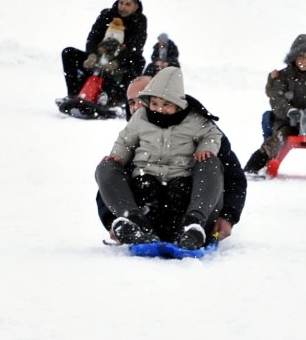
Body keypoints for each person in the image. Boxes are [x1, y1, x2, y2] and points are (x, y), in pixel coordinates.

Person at [100, 74, 247, 242]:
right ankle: (133, 224)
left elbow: (234, 178)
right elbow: (111, 183)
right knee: (108, 165)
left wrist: (228, 216)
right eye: (132, 102)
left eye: (143, 98)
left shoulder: (200, 126)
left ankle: (192, 228)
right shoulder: (135, 131)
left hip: (189, 205)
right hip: (147, 210)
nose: (136, 106)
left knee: (209, 162)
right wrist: (113, 221)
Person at [243, 34, 306, 175]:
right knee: (278, 138)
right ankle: (259, 163)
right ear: (293, 58)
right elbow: (277, 99)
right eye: (300, 57)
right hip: (287, 121)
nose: (304, 61)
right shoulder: (283, 76)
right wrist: (289, 111)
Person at [59, 0, 148, 111]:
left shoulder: (139, 20)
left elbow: (135, 46)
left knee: (139, 60)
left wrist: (117, 62)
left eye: (128, 4)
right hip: (99, 56)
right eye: (121, 3)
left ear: (135, 6)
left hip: (120, 60)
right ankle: (74, 93)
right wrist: (91, 54)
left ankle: (118, 100)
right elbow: (93, 36)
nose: (123, 7)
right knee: (68, 52)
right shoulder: (107, 14)